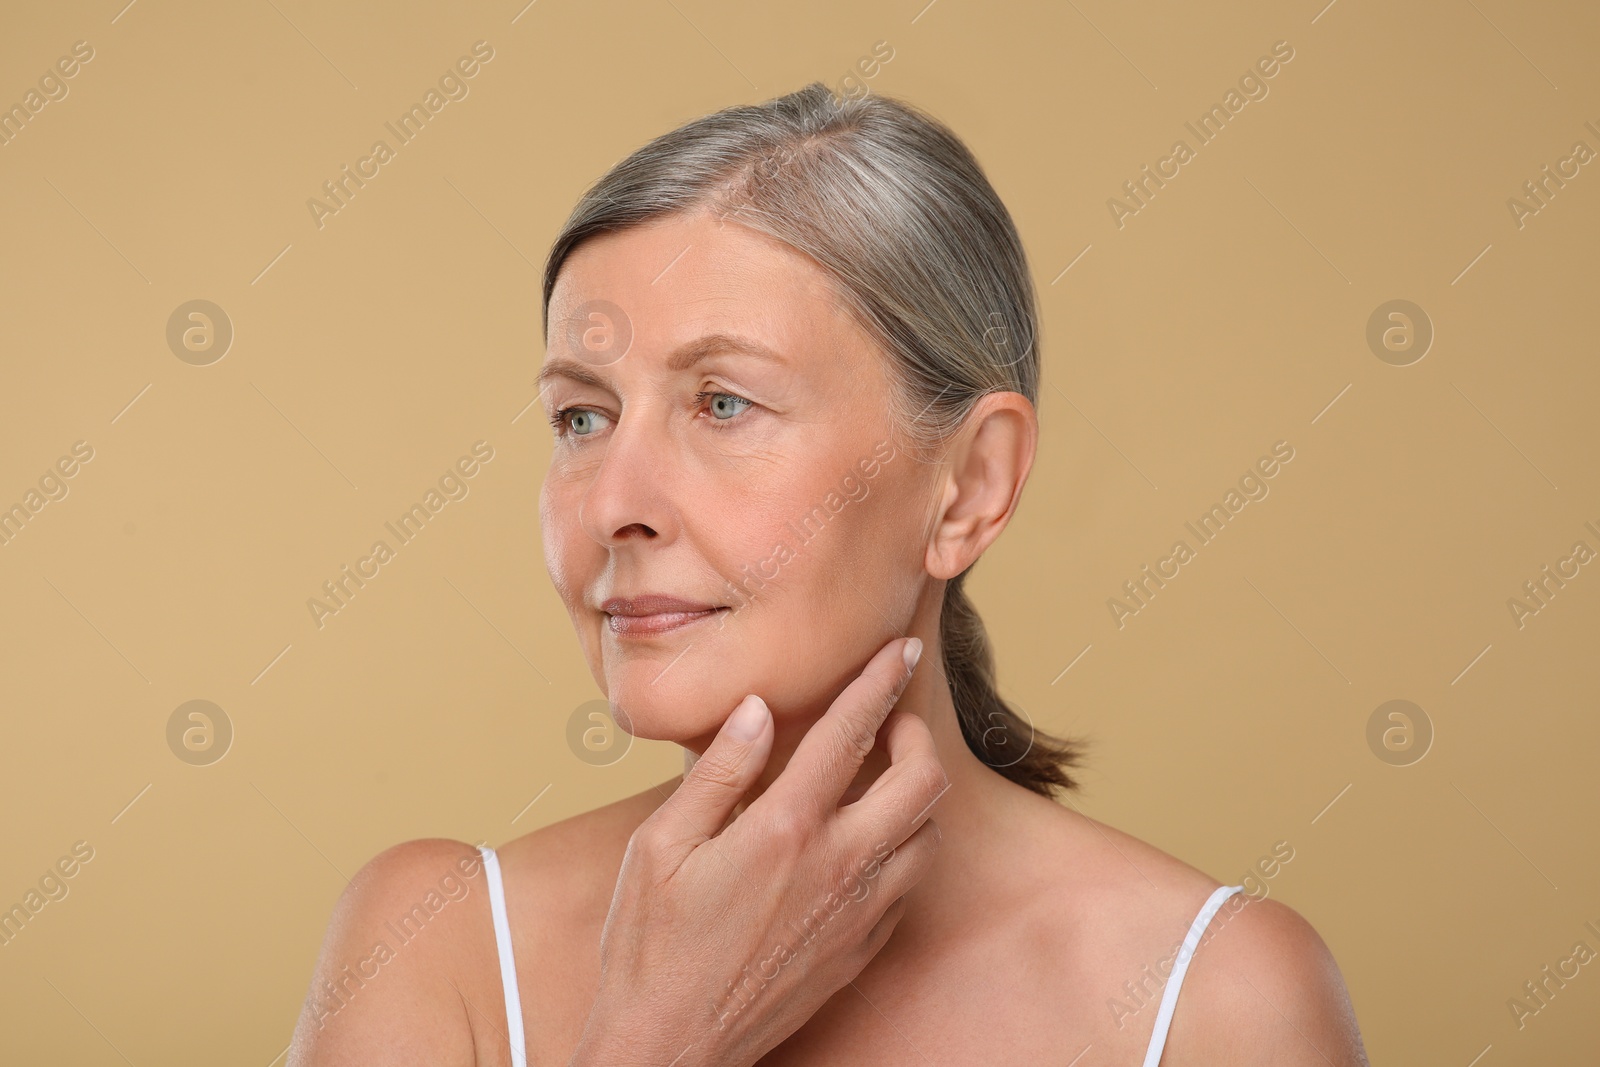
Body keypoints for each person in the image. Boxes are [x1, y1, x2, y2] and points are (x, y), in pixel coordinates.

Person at [289, 81, 1369, 1066]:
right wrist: (659, 1035)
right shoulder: (433, 948)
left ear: (968, 486)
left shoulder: (1219, 1000)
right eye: (582, 414)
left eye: (723, 403)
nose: (613, 503)